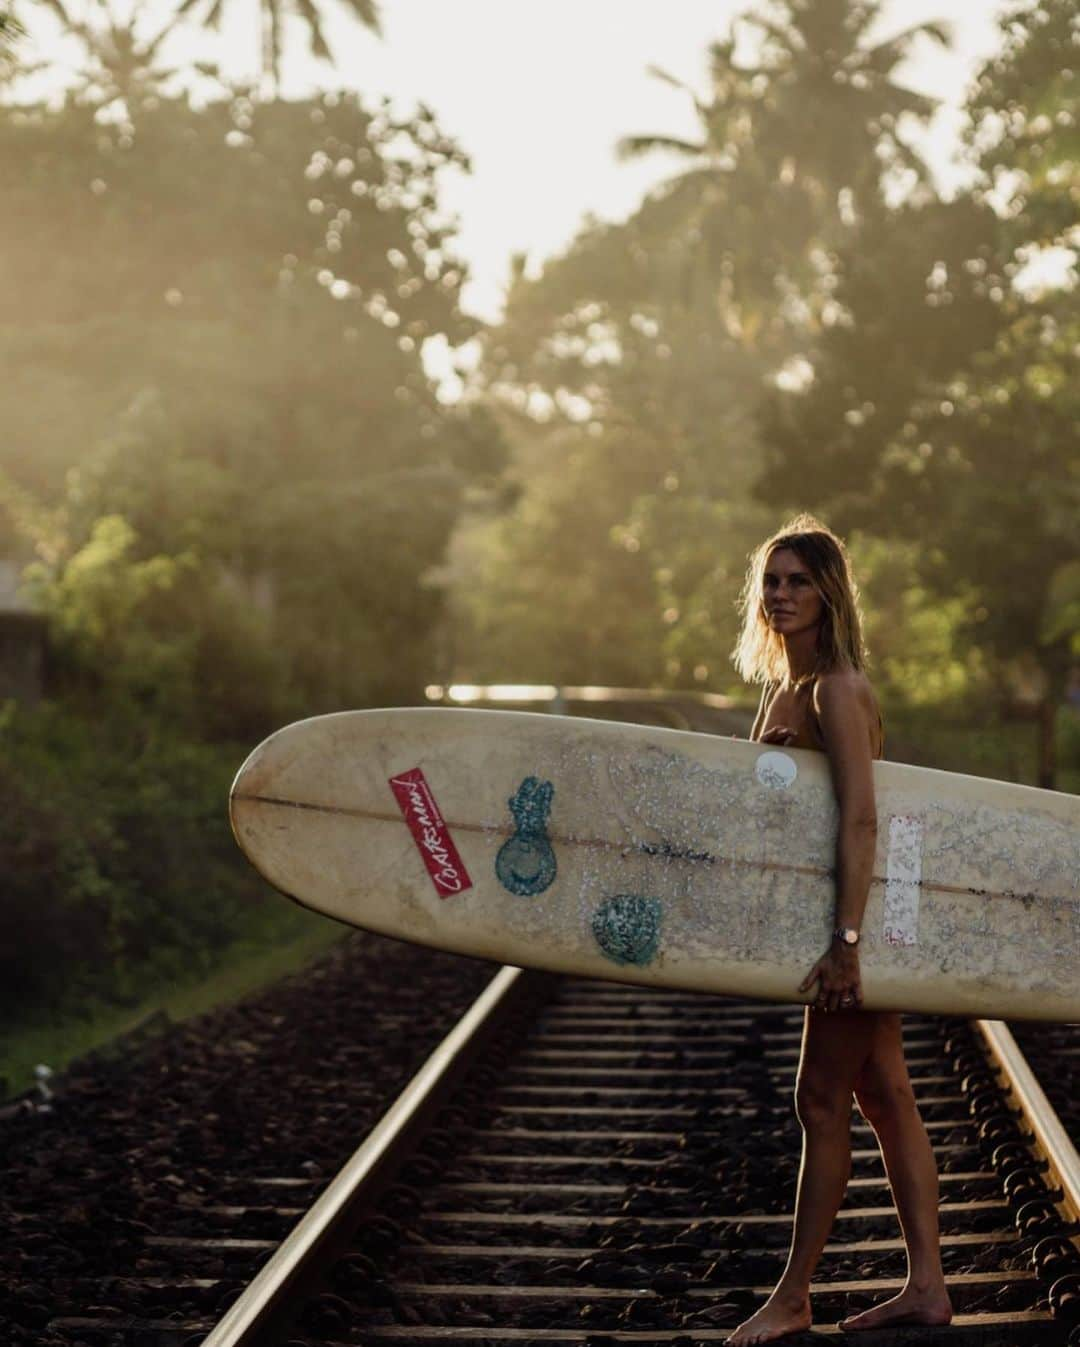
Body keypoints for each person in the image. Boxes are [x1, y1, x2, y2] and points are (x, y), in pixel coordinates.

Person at [725, 516, 954, 1344]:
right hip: (840, 919)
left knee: (819, 1096)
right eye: (772, 580)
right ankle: (926, 1285)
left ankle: (792, 1296)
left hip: (856, 920)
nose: (780, 594)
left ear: (829, 594)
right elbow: (773, 816)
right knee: (885, 1095)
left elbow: (861, 820)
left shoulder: (837, 688)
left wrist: (846, 945)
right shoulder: (783, 690)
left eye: (797, 581)